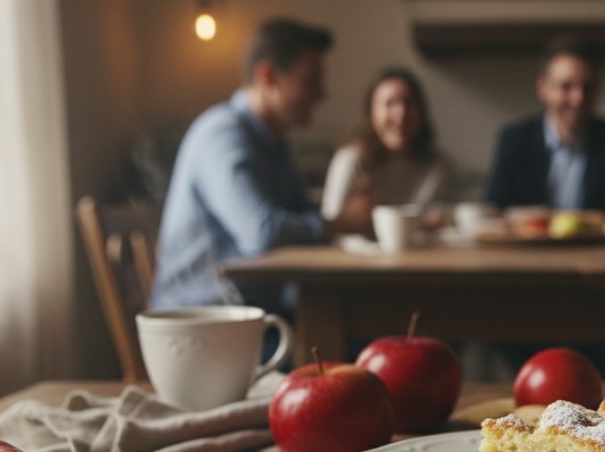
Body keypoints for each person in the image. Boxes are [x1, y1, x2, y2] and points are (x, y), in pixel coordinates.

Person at [151, 18, 372, 312]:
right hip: (204, 325)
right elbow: (259, 232)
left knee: (358, 328)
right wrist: (342, 222)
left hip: (248, 314)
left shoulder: (273, 143)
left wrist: (342, 212)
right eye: (310, 80)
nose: (322, 93)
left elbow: (299, 214)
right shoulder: (221, 134)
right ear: (268, 76)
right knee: (350, 338)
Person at [485, 35, 605, 218]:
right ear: (543, 89)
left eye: (588, 87)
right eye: (567, 86)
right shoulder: (515, 140)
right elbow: (495, 211)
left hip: (595, 246)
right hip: (528, 246)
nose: (578, 99)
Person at [321, 67, 450, 221]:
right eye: (390, 103)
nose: (401, 113)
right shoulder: (350, 161)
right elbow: (332, 227)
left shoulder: (437, 167)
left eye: (409, 103)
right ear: (371, 113)